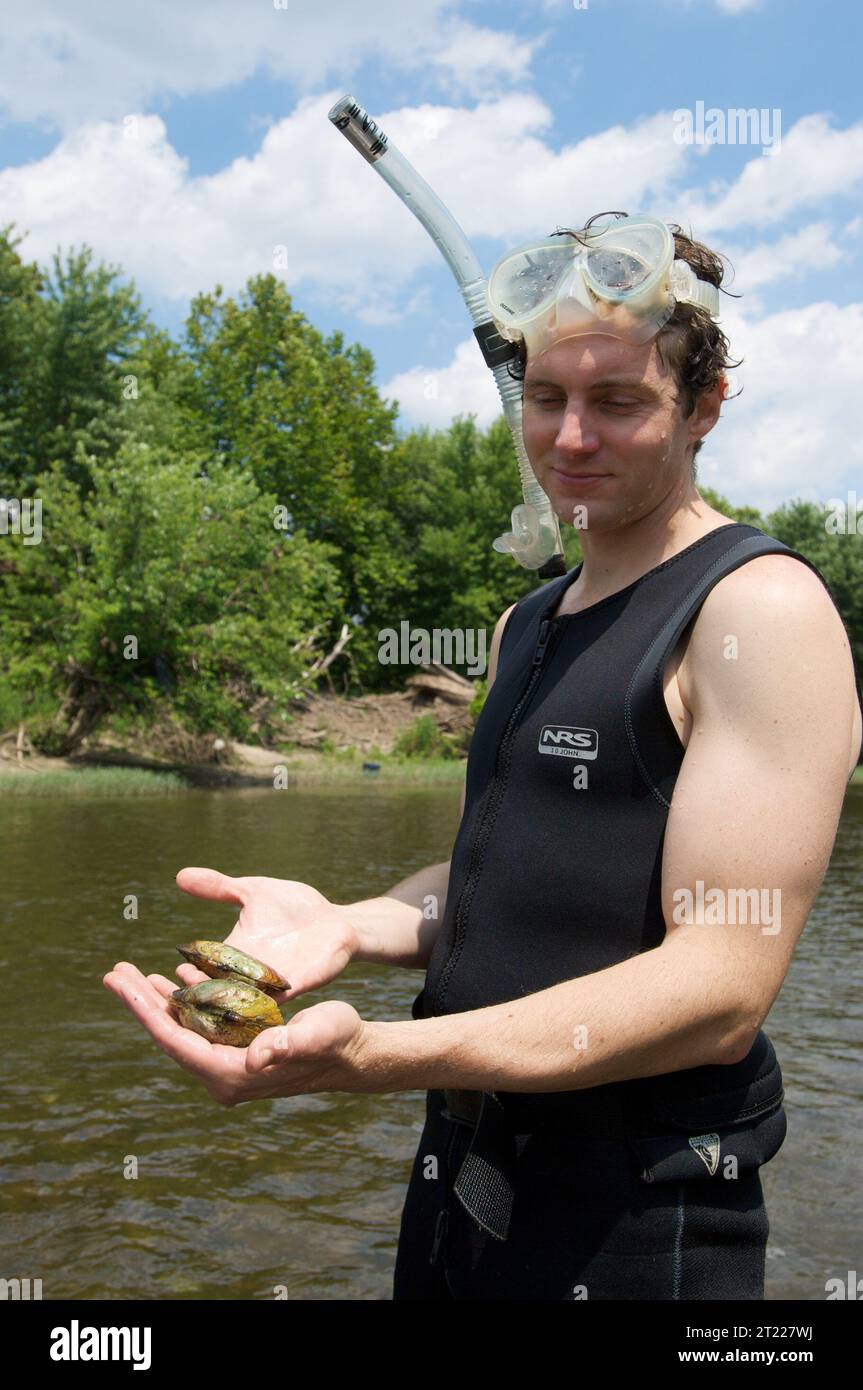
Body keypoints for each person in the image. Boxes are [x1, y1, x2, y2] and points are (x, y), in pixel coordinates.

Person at [104, 215, 863, 1301]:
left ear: (701, 408)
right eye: (546, 399)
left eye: (616, 402)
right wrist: (346, 925)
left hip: (634, 1205)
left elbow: (719, 987)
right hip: (463, 1165)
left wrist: (375, 1056)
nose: (567, 438)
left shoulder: (756, 609)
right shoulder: (529, 619)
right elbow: (514, 873)